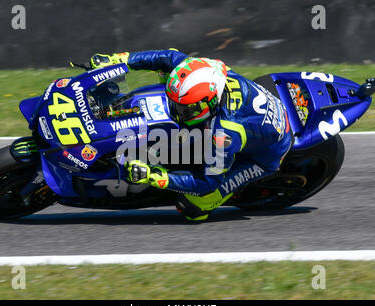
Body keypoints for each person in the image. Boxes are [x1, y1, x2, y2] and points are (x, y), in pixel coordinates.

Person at [89, 49, 293, 221]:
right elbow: (168, 56)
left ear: (209, 104)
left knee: (192, 208)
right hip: (253, 115)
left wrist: (156, 177)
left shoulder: (225, 135)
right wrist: (119, 60)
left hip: (265, 155)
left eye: (184, 109)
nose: (175, 111)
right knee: (170, 69)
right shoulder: (204, 69)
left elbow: (207, 183)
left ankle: (217, 196)